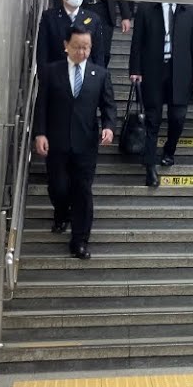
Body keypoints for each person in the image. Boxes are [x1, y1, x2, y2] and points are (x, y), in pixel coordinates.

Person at [32, 24, 117, 260]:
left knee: (83, 191)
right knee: (58, 187)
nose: (83, 52)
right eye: (78, 47)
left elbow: (109, 105)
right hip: (56, 141)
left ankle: (79, 241)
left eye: (87, 47)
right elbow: (42, 105)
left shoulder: (100, 75)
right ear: (66, 46)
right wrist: (40, 133)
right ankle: (61, 212)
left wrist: (109, 127)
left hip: (86, 143)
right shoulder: (51, 71)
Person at [128, 2, 193, 188]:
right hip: (153, 71)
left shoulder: (191, 11)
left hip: (180, 72)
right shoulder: (147, 9)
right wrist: (135, 69)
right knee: (152, 120)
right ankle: (150, 167)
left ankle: (169, 150)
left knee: (178, 117)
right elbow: (137, 41)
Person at [37, 0, 106, 69]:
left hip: (85, 74)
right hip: (58, 74)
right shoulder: (49, 17)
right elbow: (42, 53)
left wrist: (99, 77)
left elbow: (98, 55)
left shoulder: (93, 19)